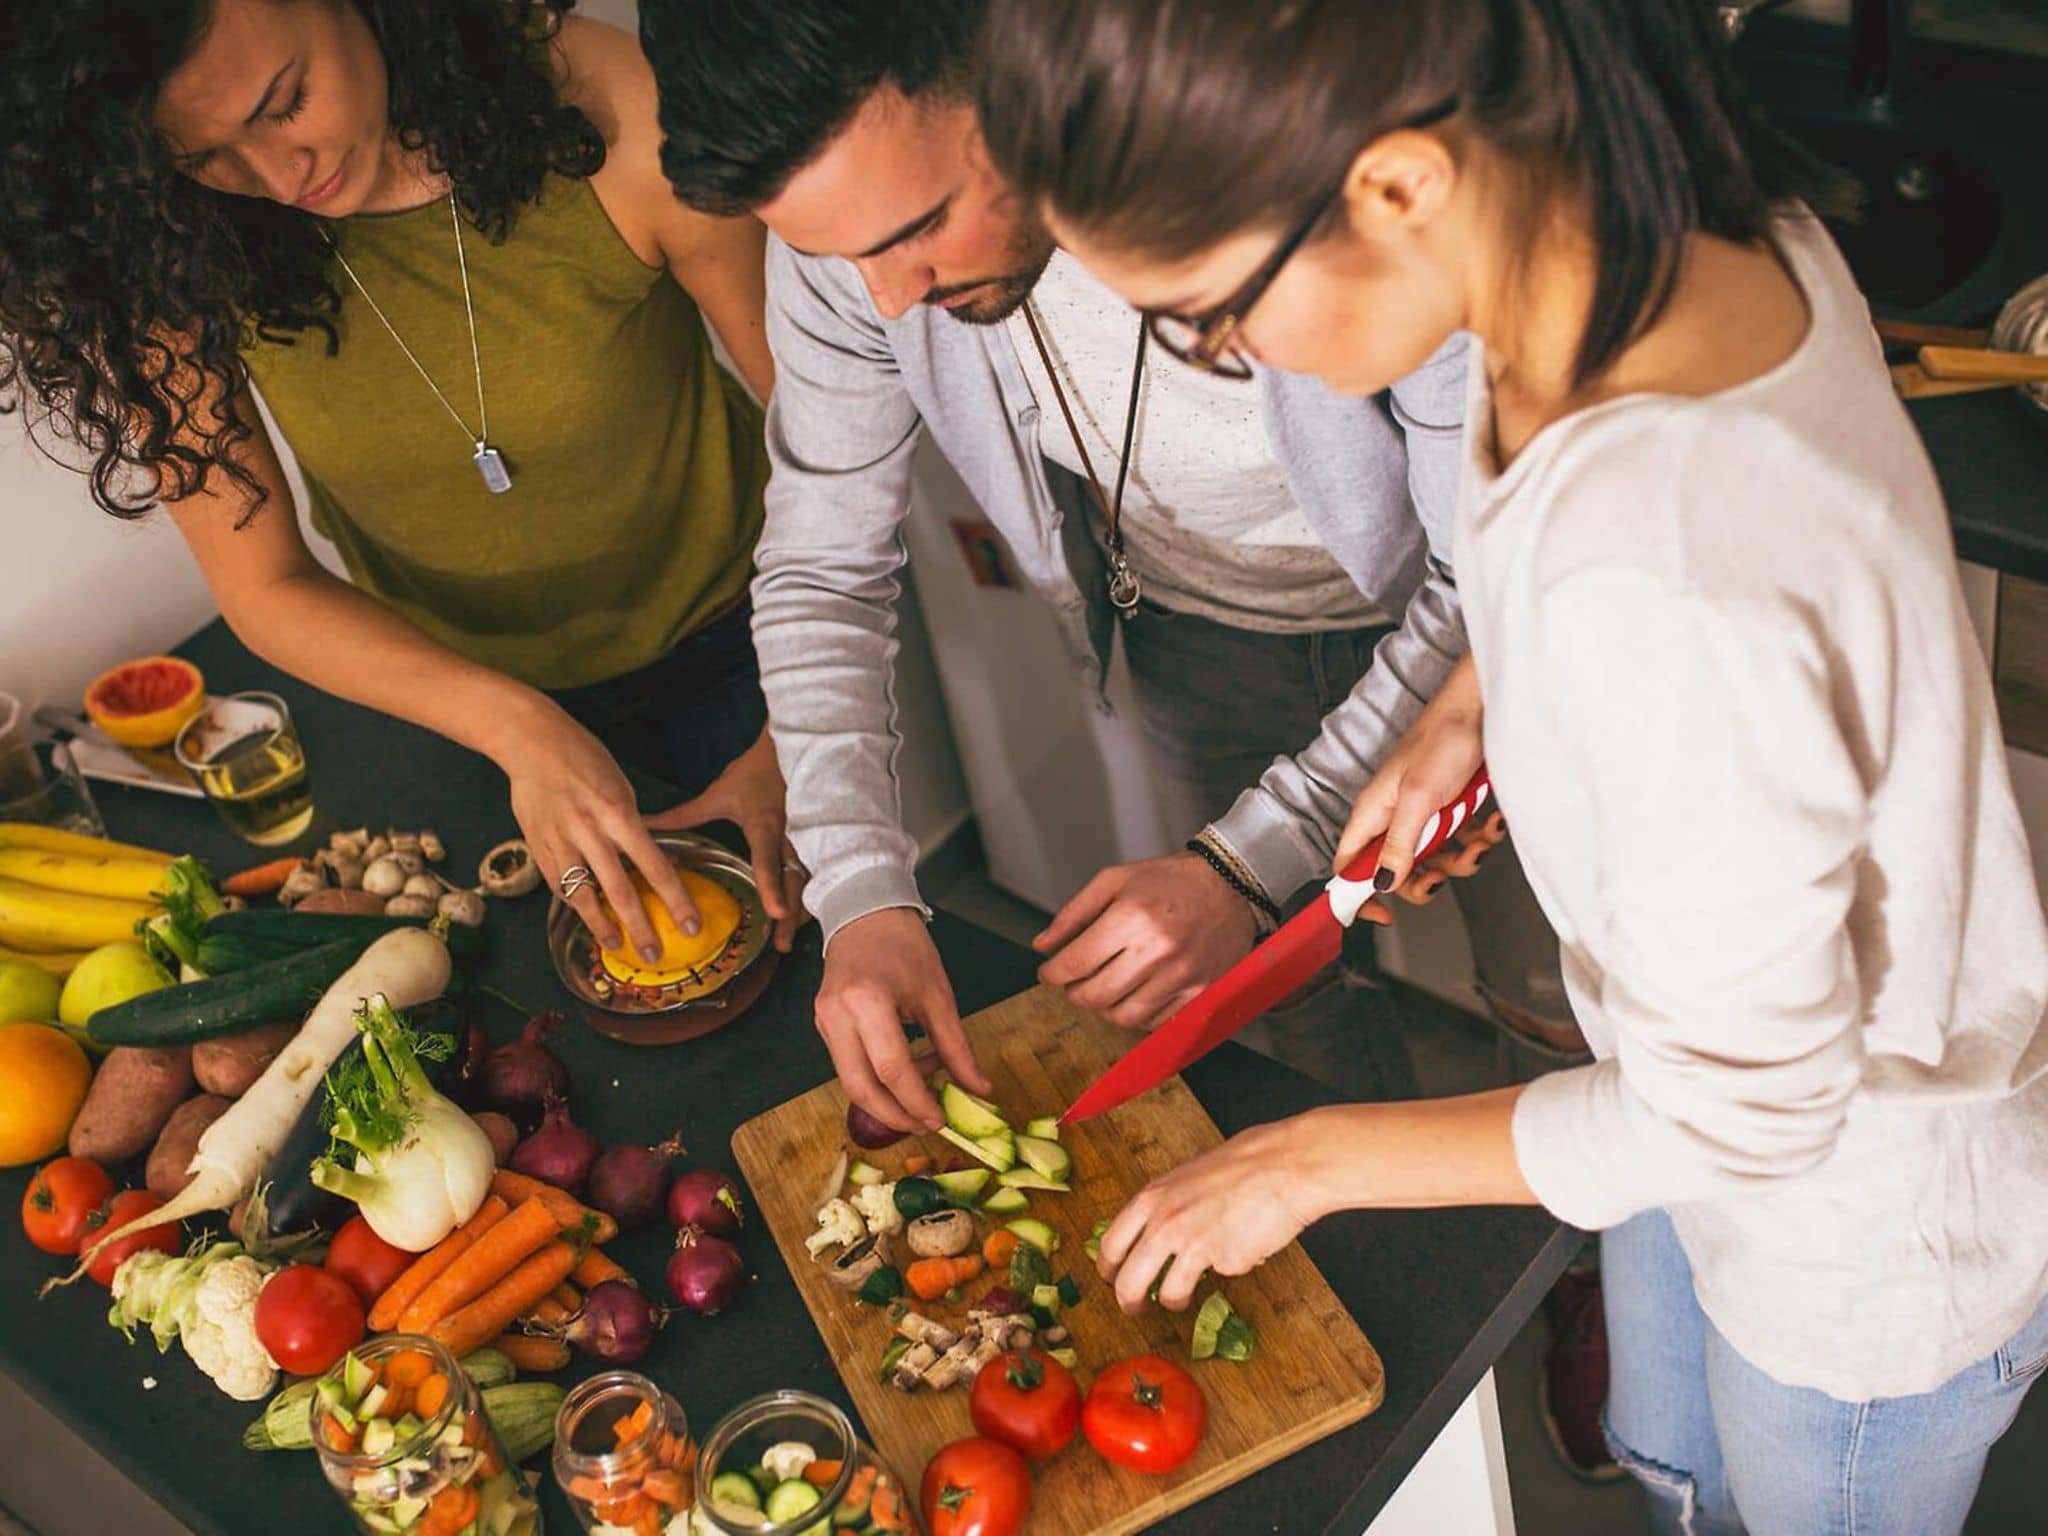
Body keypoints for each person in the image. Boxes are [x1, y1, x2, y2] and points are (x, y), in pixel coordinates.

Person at [976, 1, 2048, 1531]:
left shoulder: (1667, 578)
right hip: (1682, 1111)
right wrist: (1480, 706)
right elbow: (1588, 535)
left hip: (1856, 1241)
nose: (1227, 356)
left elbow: (1754, 1112)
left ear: (1401, 185)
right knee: (1672, 1460)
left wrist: (1308, 1161)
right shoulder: (1632, 228)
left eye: (1207, 314)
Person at [639, 0, 1575, 1131]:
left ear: (1017, 77)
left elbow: (1492, 566)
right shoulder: (858, 249)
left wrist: (1244, 864)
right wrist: (860, 893)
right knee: (1280, 999)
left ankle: (1573, 1267)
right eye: (833, 257)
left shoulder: (1312, 141)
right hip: (1200, 625)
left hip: (1520, 618)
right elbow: (819, 566)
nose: (887, 299)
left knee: (1562, 985)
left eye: (914, 229)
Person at [0, 0, 800, 960]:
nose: (273, 177)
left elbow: (839, 456)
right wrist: (516, 728)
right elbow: (262, 584)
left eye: (284, 102)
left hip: (749, 641)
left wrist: (797, 735)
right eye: (199, 157)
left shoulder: (615, 114)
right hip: (447, 695)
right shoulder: (166, 248)